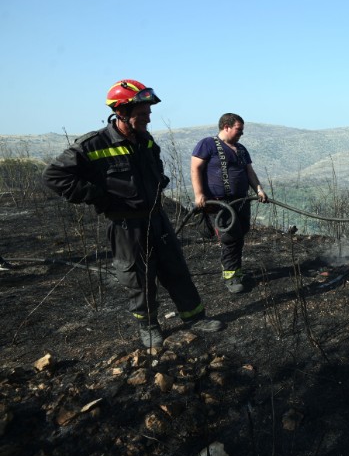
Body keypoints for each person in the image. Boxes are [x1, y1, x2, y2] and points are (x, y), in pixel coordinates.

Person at [42, 79, 224, 348]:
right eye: (142, 114)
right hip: (126, 225)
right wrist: (98, 196)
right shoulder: (93, 145)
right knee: (138, 278)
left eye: (149, 113)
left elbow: (156, 163)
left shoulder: (145, 140)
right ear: (121, 112)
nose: (148, 119)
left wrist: (159, 179)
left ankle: (195, 317)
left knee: (176, 269)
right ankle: (149, 325)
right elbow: (54, 176)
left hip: (157, 218)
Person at [190, 113, 268, 293]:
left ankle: (236, 271)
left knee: (240, 234)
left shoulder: (241, 149)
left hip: (241, 201)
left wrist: (259, 189)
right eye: (238, 129)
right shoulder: (207, 144)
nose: (241, 133)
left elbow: (249, 171)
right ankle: (231, 277)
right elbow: (195, 168)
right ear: (226, 126)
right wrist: (199, 194)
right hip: (219, 204)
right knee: (230, 238)